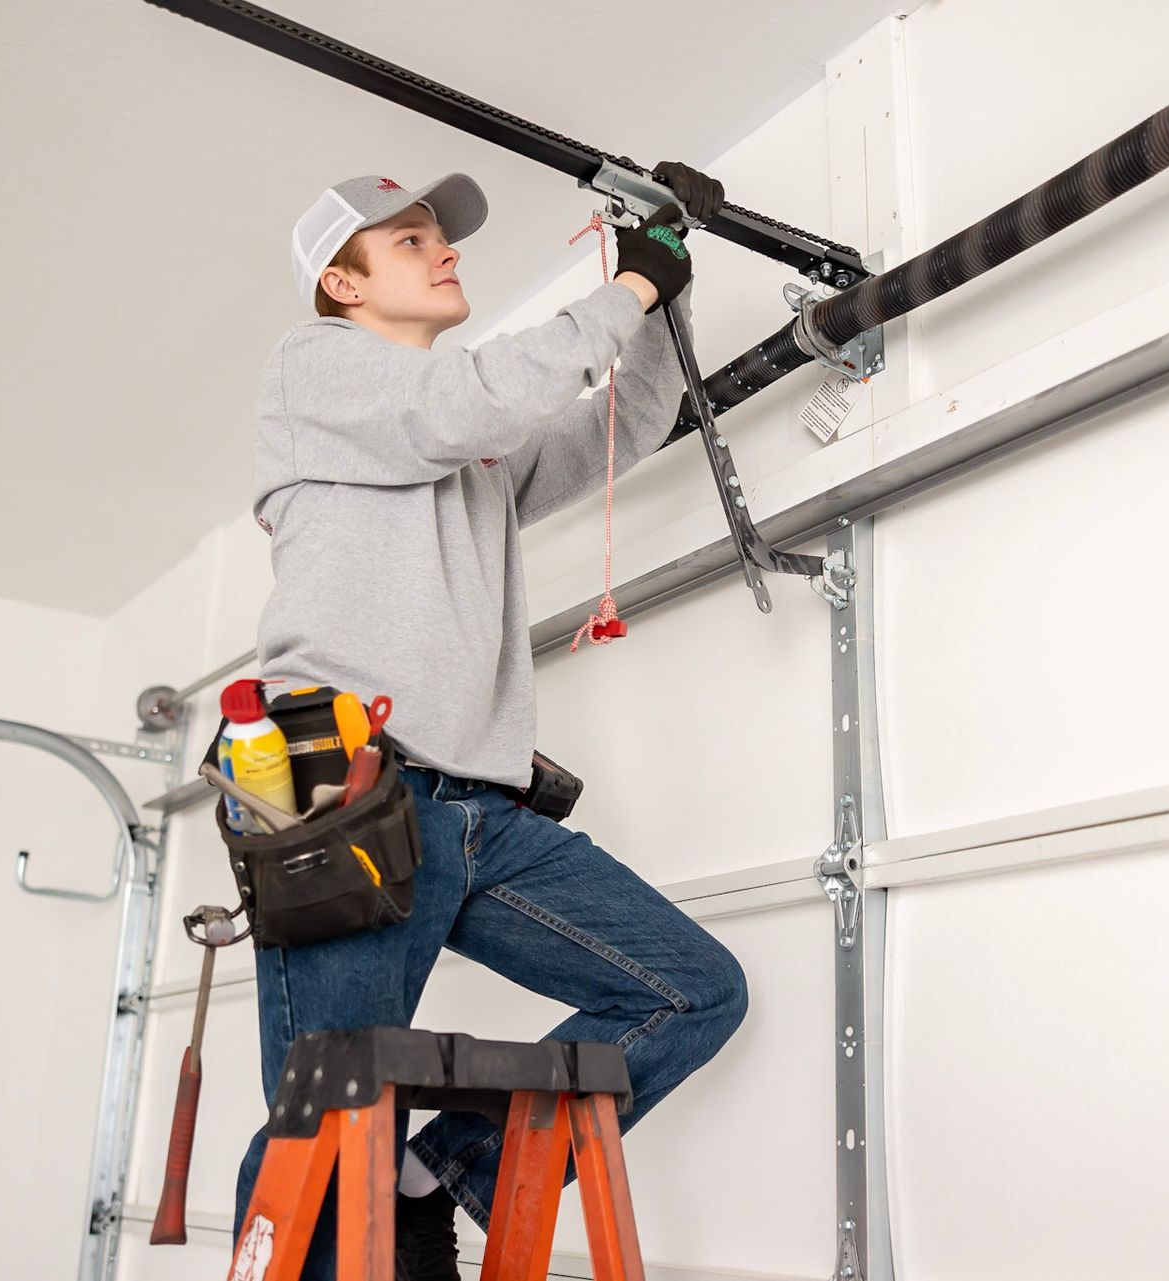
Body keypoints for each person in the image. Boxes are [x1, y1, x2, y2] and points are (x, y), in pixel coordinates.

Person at [236, 165, 749, 1279]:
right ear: (343, 283)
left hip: (476, 808)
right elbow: (467, 402)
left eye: (443, 237)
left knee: (691, 990)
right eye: (412, 241)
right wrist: (627, 290)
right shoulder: (314, 369)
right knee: (332, 1112)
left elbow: (625, 422)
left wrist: (666, 282)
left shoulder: (466, 443)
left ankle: (437, 1174)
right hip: (338, 781)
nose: (448, 251)